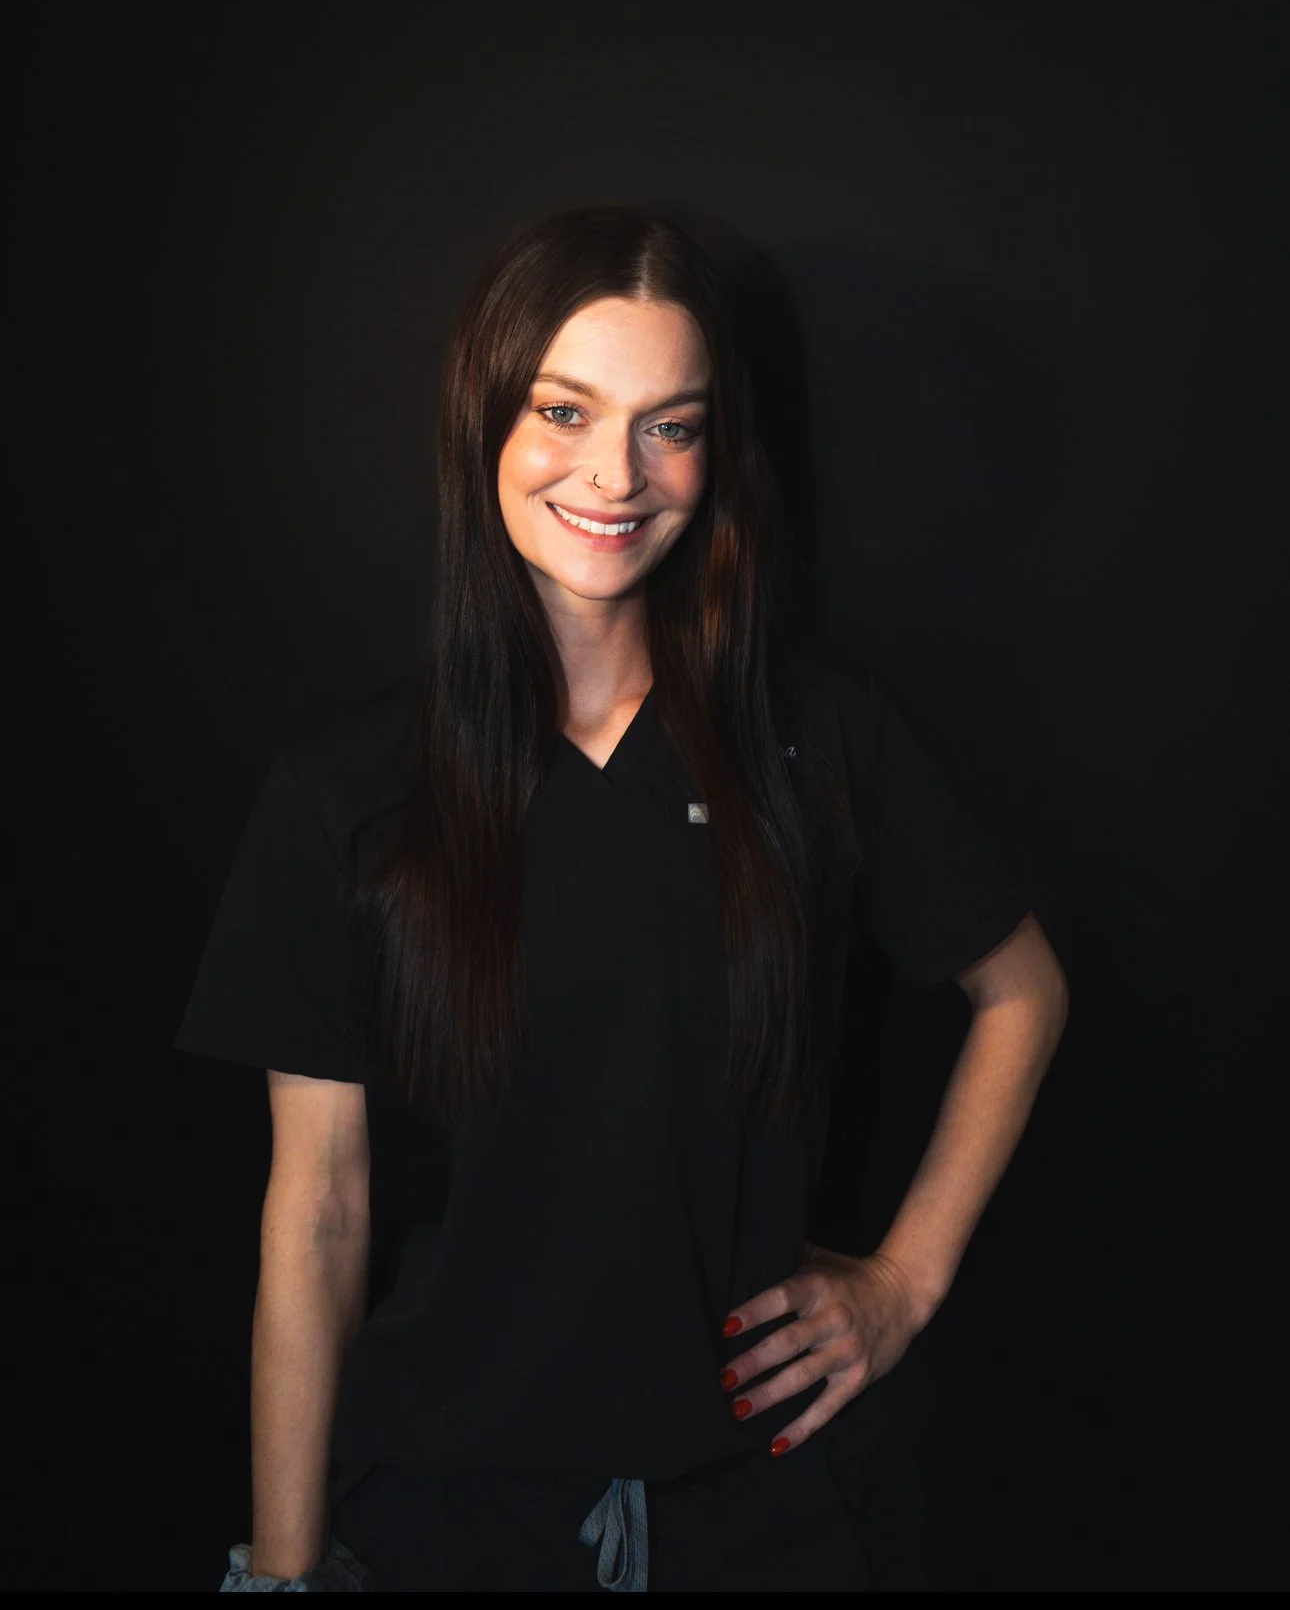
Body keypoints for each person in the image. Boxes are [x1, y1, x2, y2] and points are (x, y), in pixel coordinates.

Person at [174, 204, 1069, 1593]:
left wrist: (903, 1281)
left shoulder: (819, 738)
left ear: (718, 456)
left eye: (671, 423)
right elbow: (320, 1212)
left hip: (767, 1508)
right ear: (488, 421)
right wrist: (283, 1574)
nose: (615, 472)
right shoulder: (343, 791)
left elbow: (1022, 990)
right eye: (565, 409)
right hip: (440, 1514)